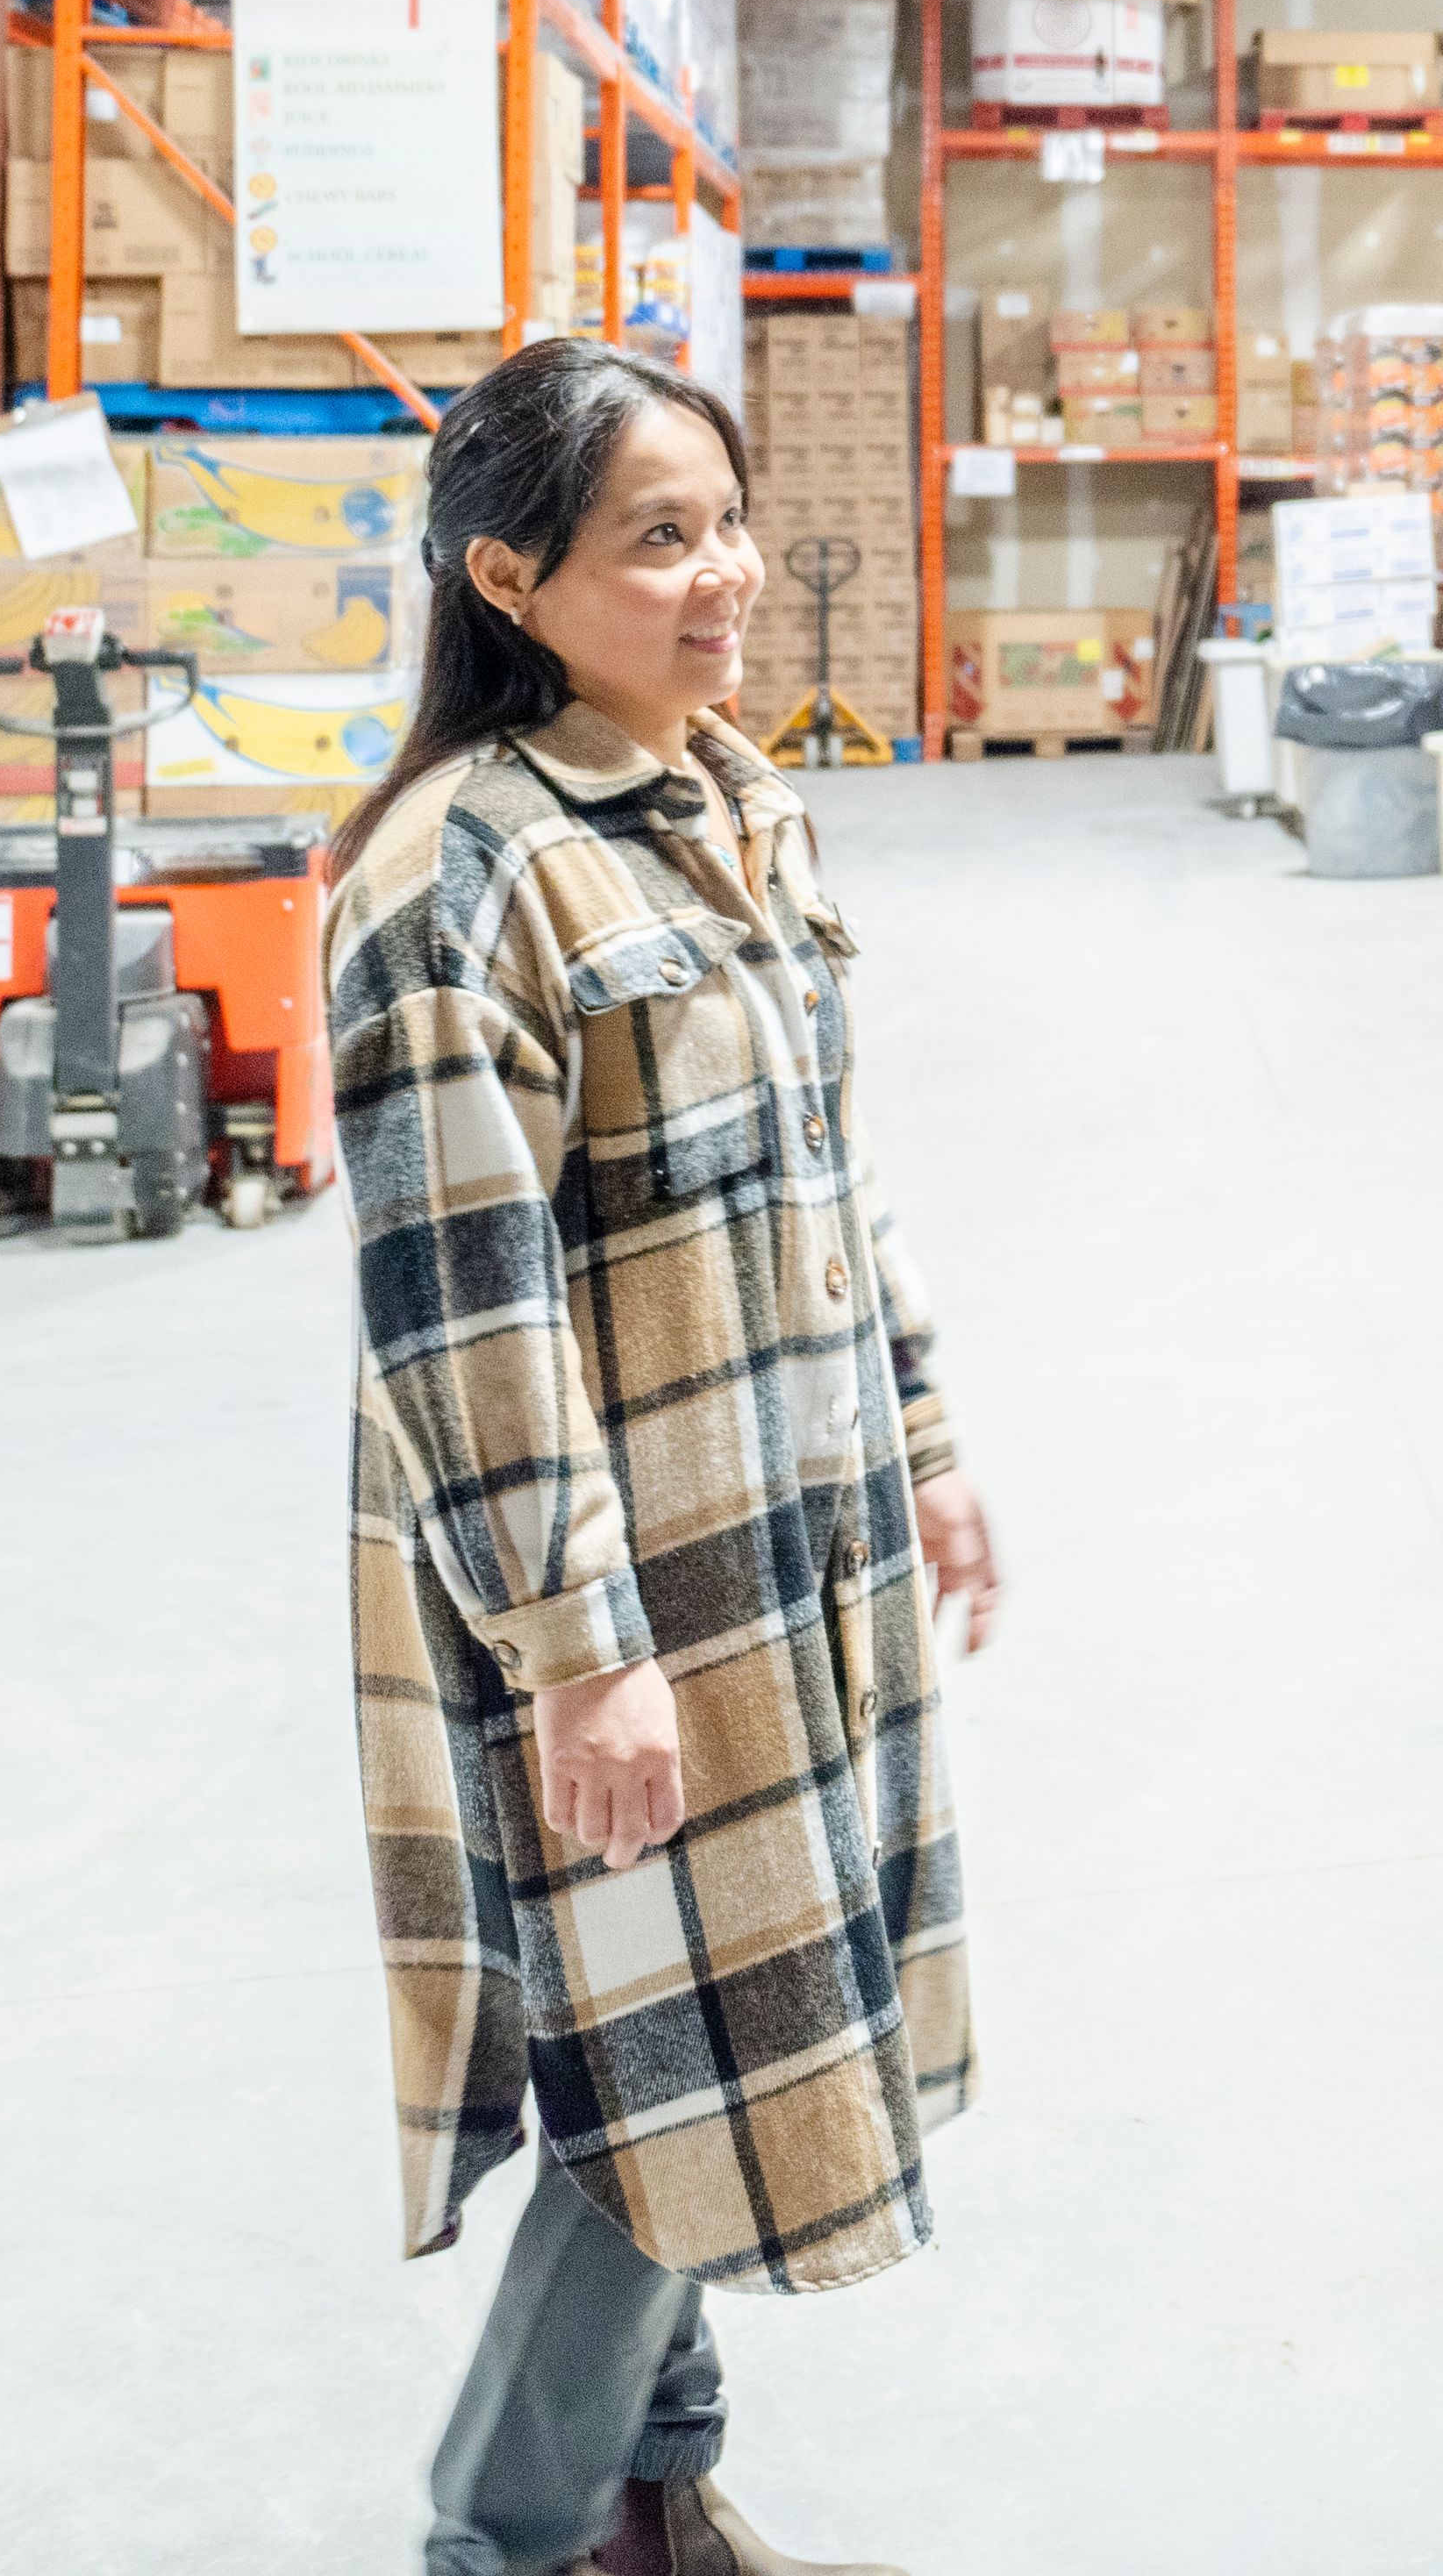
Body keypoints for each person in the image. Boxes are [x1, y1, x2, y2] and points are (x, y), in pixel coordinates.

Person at [331, 339, 1003, 2576]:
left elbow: (836, 1167)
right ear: (509, 574)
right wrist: (573, 1650)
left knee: (728, 2021)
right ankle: (497, 2540)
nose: (721, 578)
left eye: (724, 521)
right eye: (658, 538)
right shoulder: (453, 883)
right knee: (657, 2073)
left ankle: (651, 2508)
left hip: (783, 1529)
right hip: (614, 1584)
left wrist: (918, 1432)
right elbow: (465, 1304)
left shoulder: (724, 795)